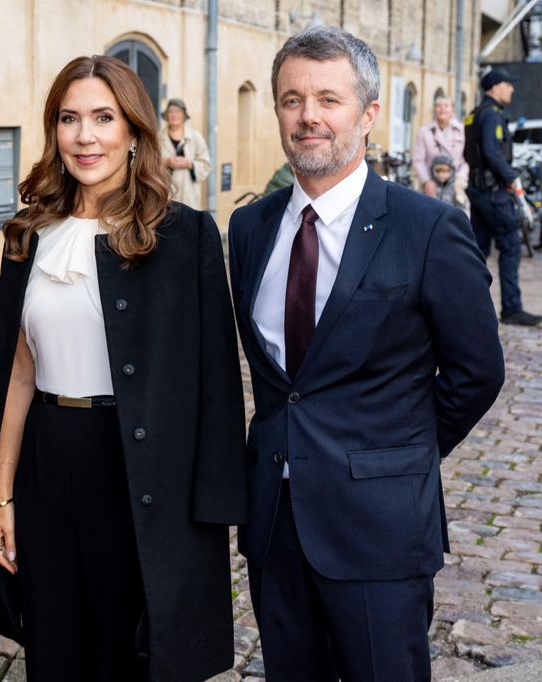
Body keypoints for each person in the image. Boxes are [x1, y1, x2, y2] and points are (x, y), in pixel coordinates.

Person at [228, 26, 504, 681]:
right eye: (292, 100)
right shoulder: (250, 228)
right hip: (276, 524)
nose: (309, 117)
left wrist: (393, 453)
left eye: (329, 98)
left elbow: (477, 371)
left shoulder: (428, 227)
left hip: (379, 527)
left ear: (369, 114)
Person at [0, 55, 247, 682]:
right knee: (56, 641)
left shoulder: (184, 236)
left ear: (133, 130)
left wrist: (212, 514)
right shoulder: (29, 234)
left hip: (139, 471)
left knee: (129, 647)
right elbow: (16, 376)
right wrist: (1, 498)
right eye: (69, 119)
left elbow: (216, 381)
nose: (85, 136)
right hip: (49, 461)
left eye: (104, 117)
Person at [465, 68, 541, 326]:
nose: (512, 89)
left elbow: (469, 154)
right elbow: (492, 152)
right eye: (509, 85)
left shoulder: (475, 114)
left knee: (477, 251)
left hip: (479, 191)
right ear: (496, 86)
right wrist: (511, 177)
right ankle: (511, 308)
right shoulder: (492, 115)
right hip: (494, 193)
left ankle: (467, 307)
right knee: (510, 247)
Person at [412, 95, 468, 206]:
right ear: (434, 109)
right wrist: (426, 181)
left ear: (452, 110)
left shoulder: (462, 130)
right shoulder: (425, 131)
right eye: (438, 106)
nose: (442, 108)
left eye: (446, 106)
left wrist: (461, 178)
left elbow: (466, 160)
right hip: (432, 186)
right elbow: (418, 160)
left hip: (456, 186)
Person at [159, 98, 211, 210]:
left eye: (178, 112)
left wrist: (189, 164)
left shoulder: (195, 137)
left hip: (189, 196)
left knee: (188, 223)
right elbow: (148, 163)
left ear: (184, 115)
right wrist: (166, 162)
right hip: (164, 195)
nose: (174, 115)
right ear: (166, 115)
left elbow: (206, 165)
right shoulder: (158, 138)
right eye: (171, 112)